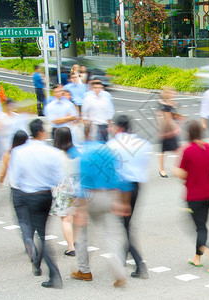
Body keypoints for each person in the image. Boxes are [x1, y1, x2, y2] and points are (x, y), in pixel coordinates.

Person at [8, 119, 63, 288]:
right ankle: (38, 264)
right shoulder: (52, 152)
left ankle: (53, 273)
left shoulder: (18, 152)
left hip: (27, 194)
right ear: (41, 132)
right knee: (42, 232)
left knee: (33, 229)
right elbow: (58, 178)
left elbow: (15, 179)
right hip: (45, 195)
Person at [71, 139, 131, 288]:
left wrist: (80, 209)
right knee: (111, 236)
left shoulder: (84, 157)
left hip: (89, 197)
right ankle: (119, 273)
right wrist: (123, 202)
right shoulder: (109, 155)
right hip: (108, 196)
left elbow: (82, 182)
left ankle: (84, 270)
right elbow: (121, 180)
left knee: (82, 235)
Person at [172, 120, 209, 275]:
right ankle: (197, 258)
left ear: (188, 133)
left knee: (198, 228)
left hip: (194, 196)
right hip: (208, 194)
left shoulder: (187, 150)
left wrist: (175, 171)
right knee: (202, 226)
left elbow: (182, 174)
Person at [107, 115, 151, 279]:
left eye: (112, 127)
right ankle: (123, 258)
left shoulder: (112, 145)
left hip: (121, 188)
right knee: (127, 222)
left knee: (123, 227)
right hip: (137, 186)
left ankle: (139, 263)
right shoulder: (143, 143)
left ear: (119, 128)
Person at [0, 130, 37, 263]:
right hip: (32, 189)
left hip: (16, 190)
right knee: (31, 217)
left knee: (22, 220)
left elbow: (3, 173)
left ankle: (28, 242)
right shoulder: (30, 153)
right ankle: (31, 239)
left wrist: (0, 183)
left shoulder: (9, 154)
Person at [50, 127, 80, 257]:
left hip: (64, 187)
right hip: (78, 186)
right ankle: (77, 241)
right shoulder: (76, 152)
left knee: (66, 219)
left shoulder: (55, 155)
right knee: (77, 217)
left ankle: (71, 247)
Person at [156, 88, 181, 178]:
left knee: (176, 150)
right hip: (165, 131)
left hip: (169, 131)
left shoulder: (170, 103)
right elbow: (166, 118)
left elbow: (171, 116)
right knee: (163, 151)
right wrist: (176, 126)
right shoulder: (163, 104)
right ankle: (162, 169)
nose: (173, 95)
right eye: (171, 93)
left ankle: (176, 167)